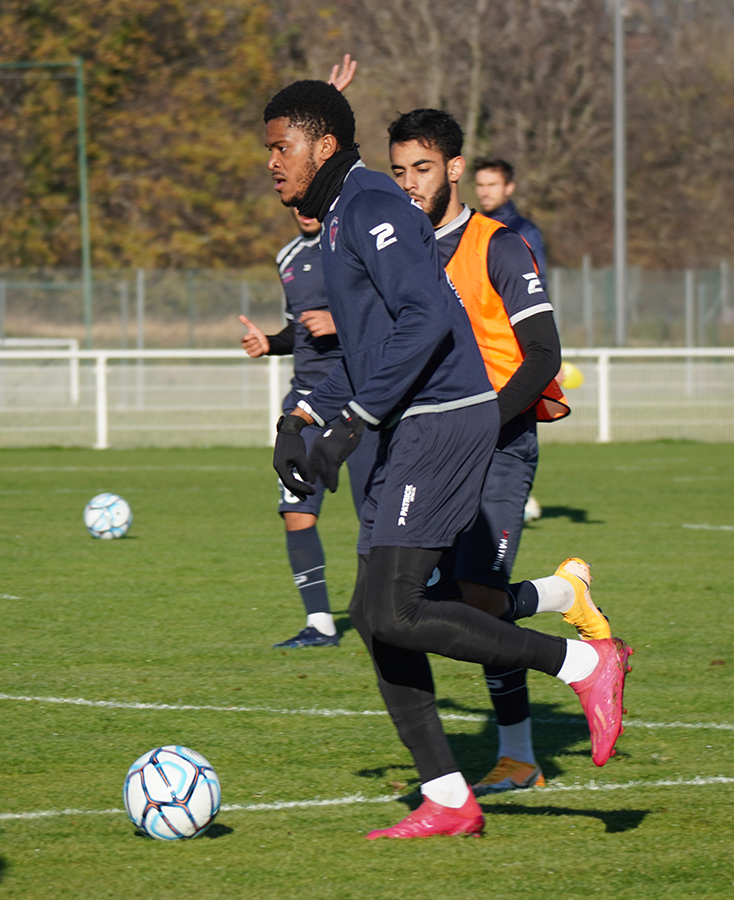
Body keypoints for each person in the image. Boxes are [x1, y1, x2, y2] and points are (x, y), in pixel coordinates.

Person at [262, 79, 631, 839]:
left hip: (442, 421)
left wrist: (354, 421)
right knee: (374, 616)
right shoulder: (335, 222)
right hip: (405, 428)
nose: (270, 163)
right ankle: (449, 797)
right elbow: (352, 351)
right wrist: (297, 419)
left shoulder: (368, 204)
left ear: (322, 145)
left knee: (399, 606)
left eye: (280, 147)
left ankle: (584, 666)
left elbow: (427, 318)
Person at [388, 108, 611, 795]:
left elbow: (544, 353)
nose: (409, 184)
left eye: (421, 168)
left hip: (499, 442)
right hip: (430, 451)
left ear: (454, 169)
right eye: (397, 171)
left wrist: (483, 420)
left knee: (474, 604)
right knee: (418, 604)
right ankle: (557, 593)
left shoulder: (501, 246)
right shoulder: (401, 252)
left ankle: (516, 754)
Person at [239, 208, 373, 648]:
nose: (302, 209)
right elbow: (298, 331)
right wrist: (270, 344)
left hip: (360, 397)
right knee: (295, 512)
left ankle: (396, 609)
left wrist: (339, 324)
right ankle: (320, 624)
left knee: (374, 516)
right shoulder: (287, 258)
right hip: (305, 403)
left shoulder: (354, 247)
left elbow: (387, 317)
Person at [473, 157, 547, 276]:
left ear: (509, 188)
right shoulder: (471, 228)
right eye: (480, 185)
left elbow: (537, 283)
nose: (485, 192)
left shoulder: (524, 231)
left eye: (492, 185)